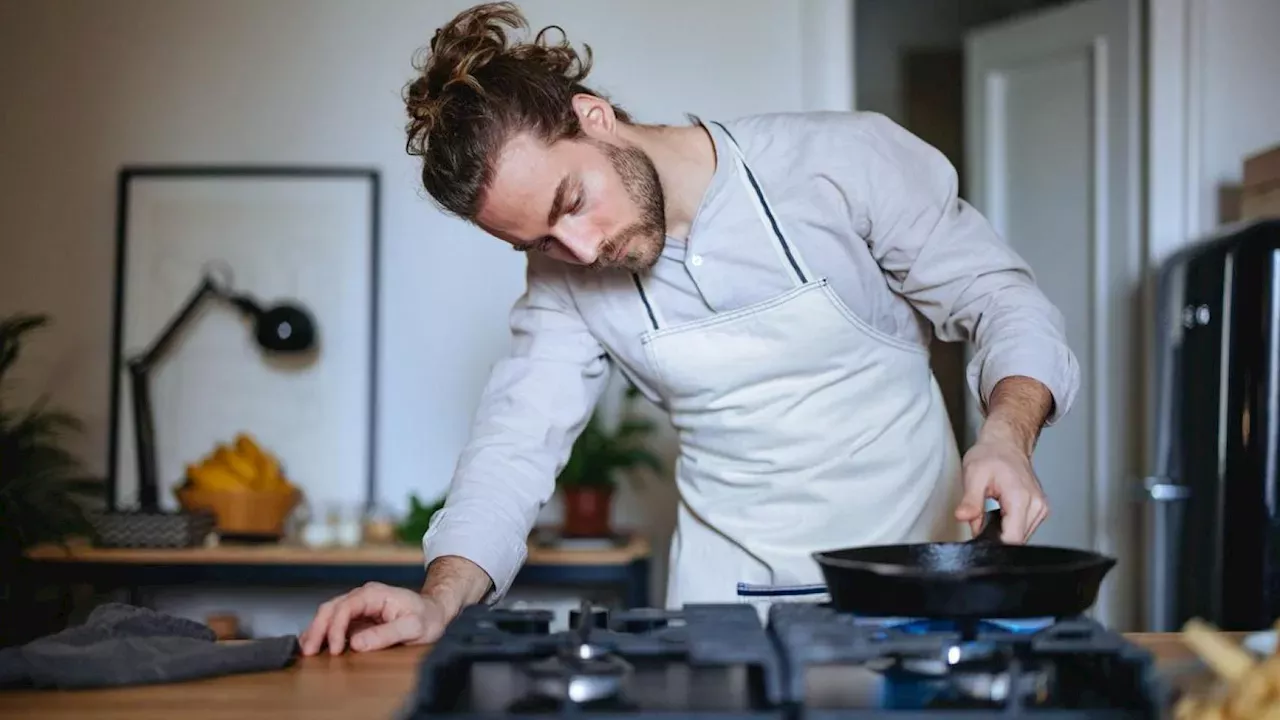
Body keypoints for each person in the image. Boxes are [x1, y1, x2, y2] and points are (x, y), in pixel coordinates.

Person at [299, 1, 1080, 656]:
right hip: (723, 614)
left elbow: (1000, 300)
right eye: (535, 240)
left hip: (912, 586)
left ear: (596, 119)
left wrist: (1007, 436)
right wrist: (438, 602)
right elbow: (513, 448)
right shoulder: (565, 281)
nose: (576, 250)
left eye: (571, 202)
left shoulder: (836, 162)